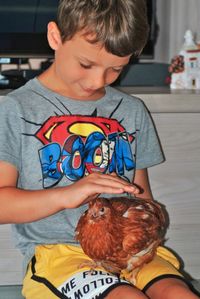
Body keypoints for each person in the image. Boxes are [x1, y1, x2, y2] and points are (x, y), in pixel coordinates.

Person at [0, 1, 199, 298]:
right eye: (86, 64)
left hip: (130, 252)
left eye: (115, 69)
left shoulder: (131, 110)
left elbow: (140, 195)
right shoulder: (15, 109)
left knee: (178, 294)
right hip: (60, 257)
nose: (97, 82)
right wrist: (67, 195)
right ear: (55, 37)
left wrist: (144, 222)